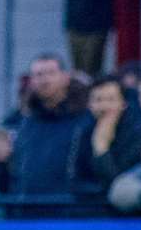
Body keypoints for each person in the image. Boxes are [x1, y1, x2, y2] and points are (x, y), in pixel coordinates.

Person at [8, 54, 90, 200]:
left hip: (73, 210)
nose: (44, 80)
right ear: (32, 81)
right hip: (26, 210)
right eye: (38, 75)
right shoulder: (23, 122)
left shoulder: (85, 119)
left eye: (51, 73)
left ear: (66, 77)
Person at [75, 75, 141, 199]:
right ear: (90, 104)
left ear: (123, 103)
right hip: (88, 206)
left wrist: (101, 149)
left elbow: (118, 185)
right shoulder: (84, 129)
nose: (104, 106)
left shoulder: (139, 132)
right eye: (98, 100)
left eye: (111, 100)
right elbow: (76, 180)